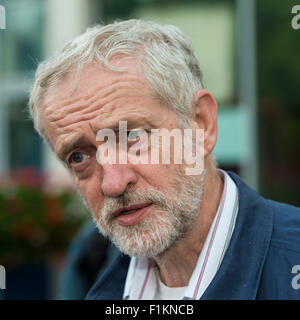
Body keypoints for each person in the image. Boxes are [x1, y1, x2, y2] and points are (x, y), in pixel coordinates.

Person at [29, 19, 300, 300]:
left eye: (132, 135)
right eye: (79, 156)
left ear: (201, 124)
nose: (113, 183)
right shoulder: (90, 278)